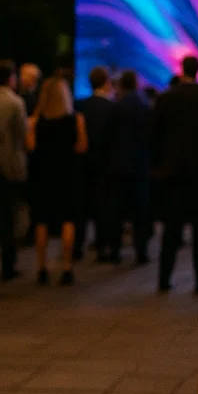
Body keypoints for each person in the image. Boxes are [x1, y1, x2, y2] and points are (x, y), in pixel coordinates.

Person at [151, 56, 198, 294]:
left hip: (172, 174)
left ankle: (164, 278)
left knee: (171, 228)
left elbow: (153, 135)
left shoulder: (165, 99)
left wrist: (159, 166)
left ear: (182, 70)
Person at [27, 77, 88, 285]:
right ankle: (67, 267)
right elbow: (81, 147)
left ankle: (42, 267)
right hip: (68, 174)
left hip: (43, 175)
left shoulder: (36, 122)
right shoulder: (76, 119)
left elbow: (31, 146)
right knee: (68, 219)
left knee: (41, 220)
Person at [0, 63, 28, 281]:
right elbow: (22, 135)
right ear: (10, 79)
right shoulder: (15, 102)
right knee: (9, 217)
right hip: (10, 165)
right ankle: (8, 265)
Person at [109, 70, 152, 264]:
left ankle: (115, 251)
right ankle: (141, 251)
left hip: (119, 164)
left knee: (116, 210)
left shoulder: (117, 106)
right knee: (140, 212)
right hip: (140, 164)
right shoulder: (144, 105)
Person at [74, 67, 116, 262]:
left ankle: (77, 246)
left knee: (80, 206)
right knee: (103, 205)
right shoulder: (112, 108)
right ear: (106, 82)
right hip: (105, 162)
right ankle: (101, 247)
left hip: (82, 163)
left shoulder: (80, 105)